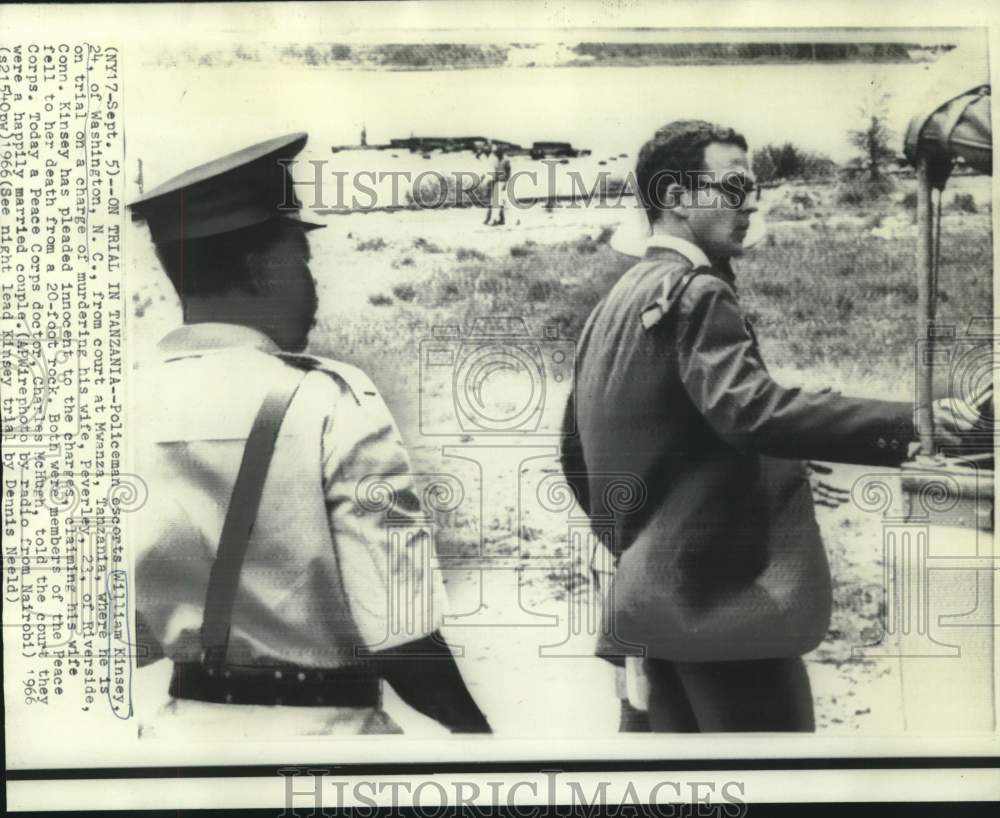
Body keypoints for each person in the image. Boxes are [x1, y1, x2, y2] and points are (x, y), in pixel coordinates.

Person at [560, 119, 965, 733]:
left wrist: (640, 545)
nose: (750, 203)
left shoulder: (616, 301)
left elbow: (575, 450)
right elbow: (750, 413)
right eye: (731, 187)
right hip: (721, 610)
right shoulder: (697, 292)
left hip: (650, 607)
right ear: (673, 197)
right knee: (779, 783)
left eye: (753, 187)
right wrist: (919, 424)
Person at [129, 132, 490, 736]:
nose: (311, 282)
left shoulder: (126, 404)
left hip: (177, 751)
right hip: (329, 743)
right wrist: (480, 741)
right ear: (257, 266)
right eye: (300, 256)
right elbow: (399, 630)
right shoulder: (328, 399)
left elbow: (129, 638)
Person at [483, 145, 512, 226]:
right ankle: (500, 219)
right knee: (499, 202)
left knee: (498, 202)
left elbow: (508, 172)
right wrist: (491, 181)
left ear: (501, 152)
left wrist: (506, 183)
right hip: (497, 181)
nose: (496, 154)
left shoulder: (506, 160)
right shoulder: (496, 160)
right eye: (496, 153)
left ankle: (494, 219)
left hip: (503, 182)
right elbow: (495, 172)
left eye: (498, 152)